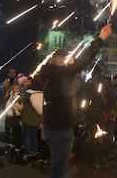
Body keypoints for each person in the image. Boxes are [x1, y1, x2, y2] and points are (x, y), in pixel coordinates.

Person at [39, 23, 111, 178]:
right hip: (61, 130)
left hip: (54, 128)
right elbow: (83, 62)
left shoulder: (51, 74)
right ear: (61, 62)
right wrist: (101, 38)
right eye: (68, 58)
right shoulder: (59, 75)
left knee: (58, 166)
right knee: (59, 169)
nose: (72, 59)